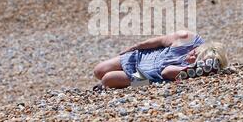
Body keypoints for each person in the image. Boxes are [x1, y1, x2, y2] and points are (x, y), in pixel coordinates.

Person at [93, 30, 228, 90]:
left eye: (196, 60)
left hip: (146, 78)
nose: (191, 57)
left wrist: (196, 69)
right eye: (194, 53)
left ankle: (118, 84)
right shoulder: (188, 38)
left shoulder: (188, 71)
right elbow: (159, 41)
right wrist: (134, 47)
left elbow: (166, 72)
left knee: (107, 79)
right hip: (142, 57)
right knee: (98, 70)